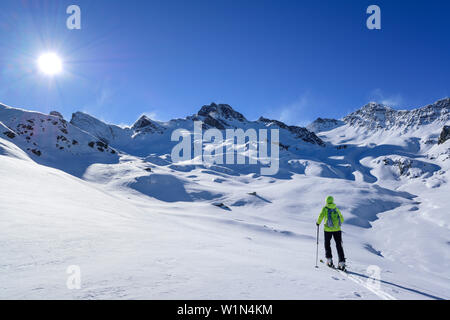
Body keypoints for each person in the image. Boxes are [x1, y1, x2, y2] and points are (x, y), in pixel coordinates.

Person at [316, 196, 346, 270]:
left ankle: (329, 260)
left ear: (326, 201)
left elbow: (321, 216)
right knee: (339, 245)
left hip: (328, 230)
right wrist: (336, 225)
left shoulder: (325, 208)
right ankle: (341, 263)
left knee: (327, 244)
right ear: (332, 201)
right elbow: (341, 218)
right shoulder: (336, 208)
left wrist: (318, 223)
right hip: (337, 230)